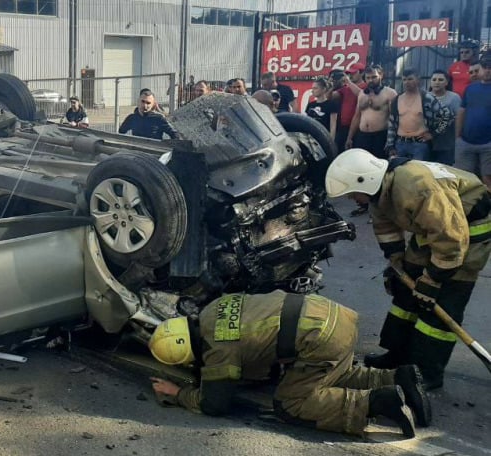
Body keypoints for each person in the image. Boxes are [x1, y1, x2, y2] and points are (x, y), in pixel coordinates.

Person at [148, 291, 431, 437]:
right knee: (328, 373)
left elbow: (215, 404)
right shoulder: (213, 308)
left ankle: (378, 402)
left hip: (319, 338)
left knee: (290, 403)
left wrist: (179, 394)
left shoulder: (219, 350)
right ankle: (397, 378)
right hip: (333, 316)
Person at [324, 149, 491, 390]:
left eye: (352, 194)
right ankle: (399, 358)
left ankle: (427, 372)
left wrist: (433, 279)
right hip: (433, 232)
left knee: (441, 305)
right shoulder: (381, 190)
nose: (351, 199)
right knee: (406, 292)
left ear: (365, 180)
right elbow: (385, 225)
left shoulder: (416, 187)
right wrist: (396, 258)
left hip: (467, 236)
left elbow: (452, 237)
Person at [344, 66, 397, 216]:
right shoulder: (362, 94)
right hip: (362, 137)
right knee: (362, 171)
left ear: (381, 75)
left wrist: (392, 142)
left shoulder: (390, 93)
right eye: (368, 78)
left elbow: (395, 119)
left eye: (374, 77)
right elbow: (356, 116)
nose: (371, 80)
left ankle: (380, 208)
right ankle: (364, 204)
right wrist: (350, 137)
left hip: (380, 136)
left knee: (379, 172)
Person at [385, 69, 452, 161]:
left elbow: (448, 115)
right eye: (404, 79)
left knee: (419, 173)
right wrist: (390, 145)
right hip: (400, 143)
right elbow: (392, 124)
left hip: (419, 144)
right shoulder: (396, 100)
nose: (406, 82)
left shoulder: (427, 98)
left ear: (418, 79)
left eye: (410, 79)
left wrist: (434, 133)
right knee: (398, 173)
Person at [455, 54, 491, 190]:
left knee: (488, 179)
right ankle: (466, 210)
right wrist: (458, 137)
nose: (488, 70)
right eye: (485, 67)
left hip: (488, 143)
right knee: (463, 179)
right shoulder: (470, 89)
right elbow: (462, 112)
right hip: (466, 141)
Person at [428, 70, 461, 166]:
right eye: (434, 79)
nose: (437, 82)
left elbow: (459, 118)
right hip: (428, 142)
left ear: (446, 82)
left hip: (447, 142)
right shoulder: (425, 97)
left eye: (440, 79)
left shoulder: (454, 98)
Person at [329, 69, 362, 155]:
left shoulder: (365, 86)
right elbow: (329, 97)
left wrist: (349, 82)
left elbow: (361, 95)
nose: (351, 76)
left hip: (358, 127)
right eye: (348, 74)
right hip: (343, 126)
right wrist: (332, 84)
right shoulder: (345, 88)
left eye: (353, 73)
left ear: (362, 73)